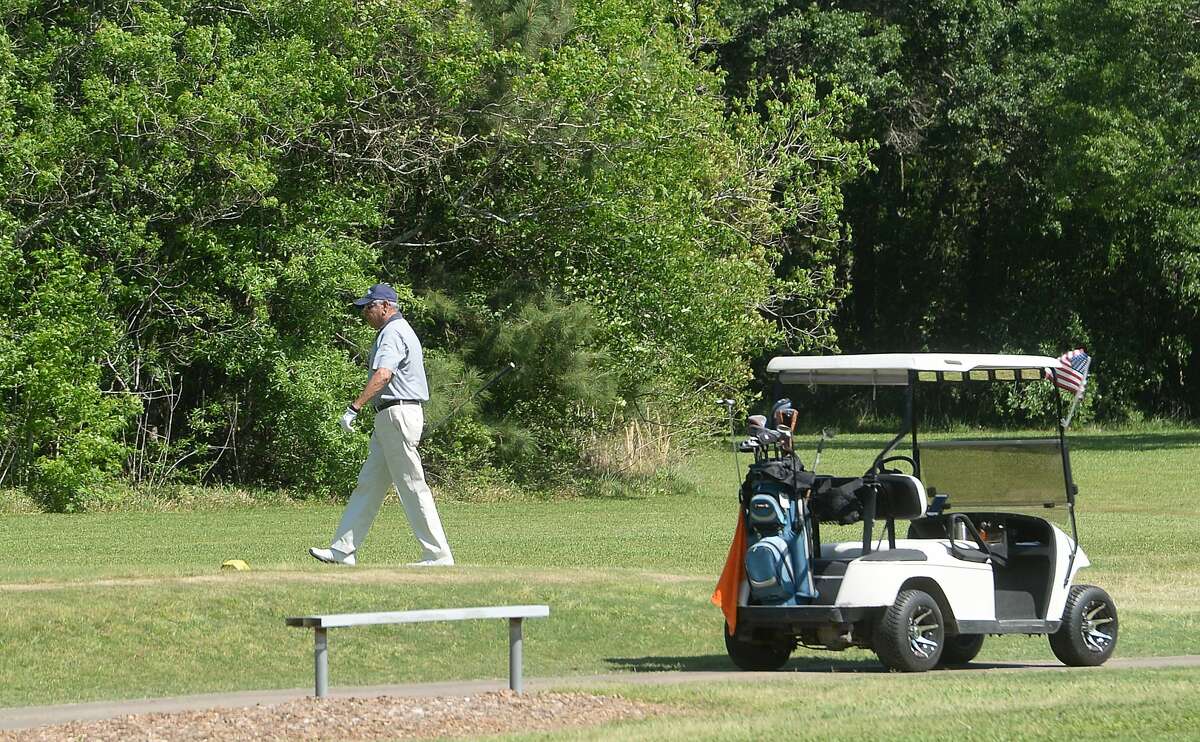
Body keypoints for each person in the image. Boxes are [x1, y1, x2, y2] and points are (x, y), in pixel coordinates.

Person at [308, 283, 454, 567]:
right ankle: (343, 550)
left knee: (412, 486)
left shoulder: (392, 332)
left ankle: (438, 555)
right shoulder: (395, 331)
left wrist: (354, 407)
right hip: (390, 416)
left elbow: (384, 374)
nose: (365, 313)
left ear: (386, 306)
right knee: (369, 485)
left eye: (369, 307)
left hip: (397, 413)